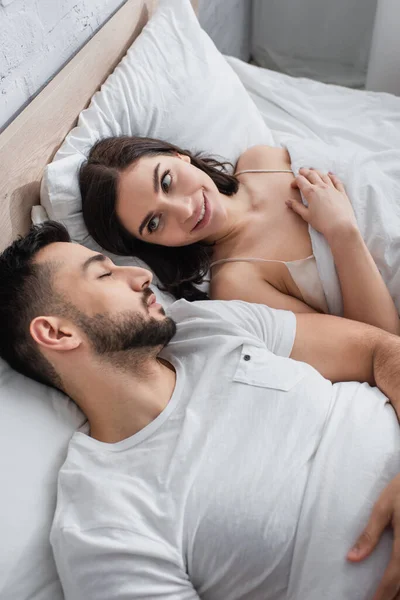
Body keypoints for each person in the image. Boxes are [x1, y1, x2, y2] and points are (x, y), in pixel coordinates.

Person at [1, 221, 400, 600]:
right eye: (104, 275)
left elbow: (382, 349)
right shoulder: (104, 519)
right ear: (57, 333)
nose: (140, 276)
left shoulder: (209, 324)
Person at [79, 136, 400, 335]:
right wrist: (342, 231)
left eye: (166, 182)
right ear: (152, 246)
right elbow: (382, 346)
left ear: (179, 156)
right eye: (154, 223)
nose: (185, 209)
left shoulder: (259, 159)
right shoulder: (237, 284)